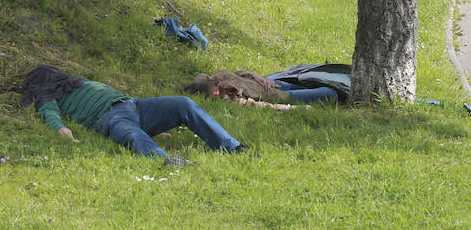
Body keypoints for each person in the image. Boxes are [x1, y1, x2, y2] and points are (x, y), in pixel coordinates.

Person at [20, 65, 243, 167]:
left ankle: (232, 146)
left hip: (135, 106)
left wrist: (154, 124)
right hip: (108, 118)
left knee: (184, 103)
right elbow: (50, 114)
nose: (55, 76)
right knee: (131, 134)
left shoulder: (76, 81)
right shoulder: (48, 97)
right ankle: (166, 161)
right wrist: (62, 130)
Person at [187, 70, 339, 105]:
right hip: (280, 96)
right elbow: (255, 105)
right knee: (331, 93)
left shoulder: (219, 78)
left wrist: (255, 75)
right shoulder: (228, 98)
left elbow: (238, 73)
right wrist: (290, 108)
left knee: (309, 78)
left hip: (271, 83)